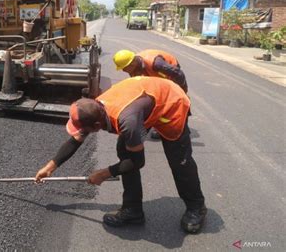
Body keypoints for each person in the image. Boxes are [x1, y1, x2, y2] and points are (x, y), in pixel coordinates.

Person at [35, 77, 206, 234]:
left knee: (179, 161)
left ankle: (196, 207)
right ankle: (133, 210)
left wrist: (104, 173)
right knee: (125, 151)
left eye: (84, 130)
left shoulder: (128, 122)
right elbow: (75, 141)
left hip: (170, 103)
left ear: (96, 125)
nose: (81, 133)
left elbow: (138, 161)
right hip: (144, 101)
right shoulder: (95, 108)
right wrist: (50, 166)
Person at [113, 49, 188, 93]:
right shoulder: (134, 69)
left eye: (125, 68)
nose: (123, 70)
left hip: (172, 71)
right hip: (156, 72)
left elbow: (179, 73)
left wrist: (182, 92)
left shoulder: (157, 64)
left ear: (132, 63)